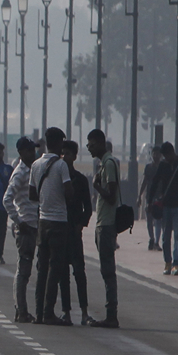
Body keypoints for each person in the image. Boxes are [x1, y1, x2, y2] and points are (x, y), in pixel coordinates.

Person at [31, 128, 74, 326]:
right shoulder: (61, 165)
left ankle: (38, 312)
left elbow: (32, 195)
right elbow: (68, 191)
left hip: (42, 220)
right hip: (58, 221)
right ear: (58, 144)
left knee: (42, 269)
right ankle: (49, 312)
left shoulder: (35, 165)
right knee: (55, 269)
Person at [87, 128, 121, 328]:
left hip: (107, 223)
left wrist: (96, 186)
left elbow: (111, 195)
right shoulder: (106, 163)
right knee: (106, 269)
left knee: (108, 270)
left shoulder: (108, 163)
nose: (89, 148)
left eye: (91, 145)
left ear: (99, 143)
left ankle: (111, 314)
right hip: (104, 222)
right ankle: (110, 313)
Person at [4, 136, 40, 323]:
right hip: (26, 226)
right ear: (21, 153)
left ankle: (23, 309)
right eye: (29, 150)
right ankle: (21, 310)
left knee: (27, 270)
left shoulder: (32, 169)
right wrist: (18, 220)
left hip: (34, 224)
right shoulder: (20, 173)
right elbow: (7, 199)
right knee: (24, 270)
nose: (33, 153)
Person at [60, 140, 93, 325]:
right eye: (62, 154)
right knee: (63, 274)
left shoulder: (80, 180)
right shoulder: (58, 177)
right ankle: (66, 312)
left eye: (68, 154)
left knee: (79, 273)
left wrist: (81, 224)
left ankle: (84, 311)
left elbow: (88, 208)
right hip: (61, 230)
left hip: (74, 231)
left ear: (75, 156)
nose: (65, 157)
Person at [153, 141, 178, 275]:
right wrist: (149, 201)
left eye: (166, 155)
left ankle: (176, 264)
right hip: (166, 206)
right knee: (166, 236)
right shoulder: (163, 165)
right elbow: (155, 182)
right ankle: (167, 262)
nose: (165, 158)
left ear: (172, 153)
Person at [138, 145, 162, 250]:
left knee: (158, 220)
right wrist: (139, 195)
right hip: (149, 197)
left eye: (158, 154)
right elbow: (145, 182)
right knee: (149, 220)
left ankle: (156, 241)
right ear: (152, 155)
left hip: (160, 197)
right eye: (154, 154)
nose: (156, 156)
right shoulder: (148, 167)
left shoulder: (163, 167)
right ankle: (152, 238)